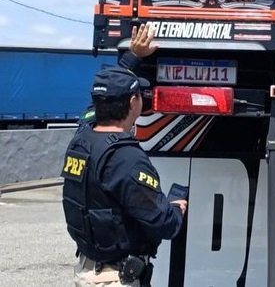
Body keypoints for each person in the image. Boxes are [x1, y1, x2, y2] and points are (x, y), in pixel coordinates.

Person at [61, 24, 187, 287]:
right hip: (114, 279)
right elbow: (164, 224)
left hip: (88, 270)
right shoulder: (125, 158)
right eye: (139, 94)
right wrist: (177, 208)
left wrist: (132, 57)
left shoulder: (82, 137)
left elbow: (91, 108)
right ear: (133, 103)